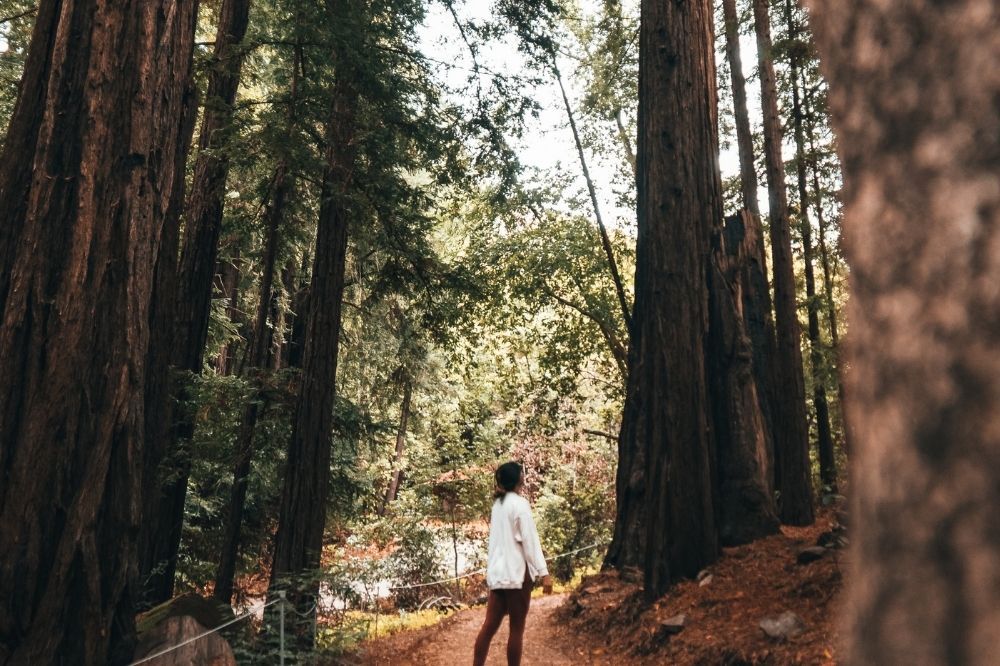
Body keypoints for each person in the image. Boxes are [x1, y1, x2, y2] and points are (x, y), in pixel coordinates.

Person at [473, 461, 553, 666]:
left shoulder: (497, 505)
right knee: (516, 629)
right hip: (517, 575)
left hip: (497, 574)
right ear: (518, 479)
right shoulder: (520, 505)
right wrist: (544, 572)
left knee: (489, 626)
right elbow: (530, 540)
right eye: (522, 474)